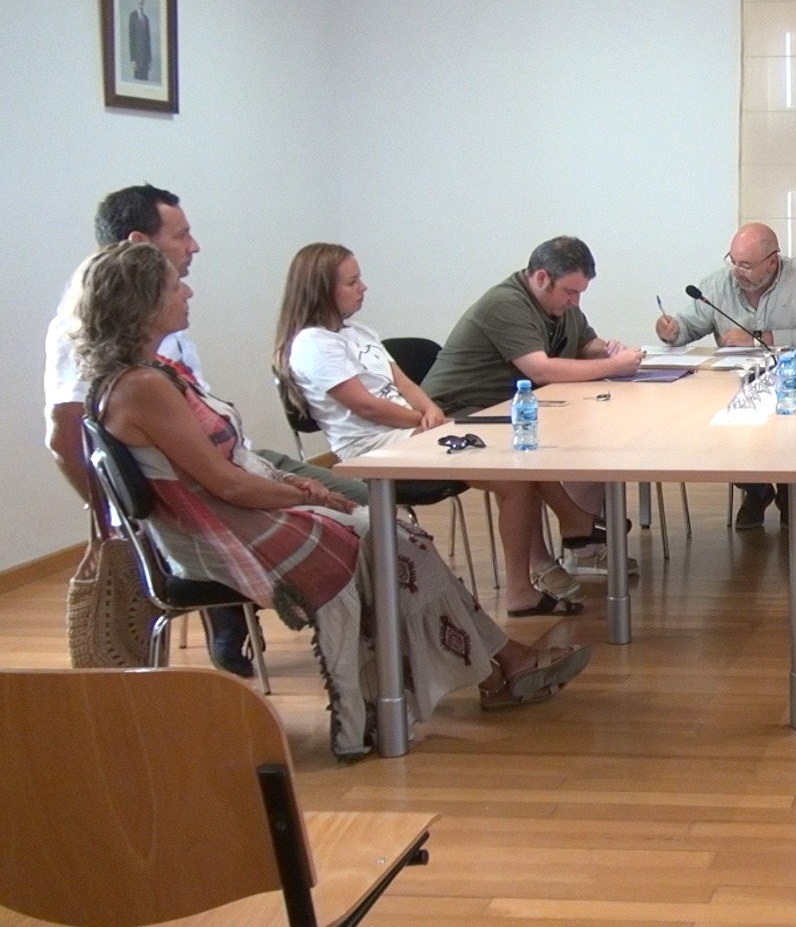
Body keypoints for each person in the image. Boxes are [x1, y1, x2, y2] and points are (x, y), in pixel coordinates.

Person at [76, 242, 591, 760]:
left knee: (398, 539)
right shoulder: (143, 387)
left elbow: (231, 470)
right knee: (394, 541)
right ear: (141, 304)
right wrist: (304, 491)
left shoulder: (152, 375)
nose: (187, 291)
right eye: (173, 286)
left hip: (236, 514)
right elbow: (227, 485)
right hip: (224, 534)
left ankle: (496, 667)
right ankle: (486, 670)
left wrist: (300, 487)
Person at [44, 185, 356, 677]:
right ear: (140, 241)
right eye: (182, 235)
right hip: (206, 488)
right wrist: (125, 520)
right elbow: (66, 438)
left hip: (235, 461)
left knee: (363, 502)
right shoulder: (97, 337)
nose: (195, 246)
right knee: (364, 522)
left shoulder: (164, 315)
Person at [273, 243, 592, 617]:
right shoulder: (312, 344)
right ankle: (547, 557)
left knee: (517, 458)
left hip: (411, 430)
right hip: (374, 446)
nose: (363, 287)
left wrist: (429, 409)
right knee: (514, 472)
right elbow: (364, 406)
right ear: (321, 289)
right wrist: (422, 421)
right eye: (352, 281)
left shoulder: (358, 332)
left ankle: (559, 541)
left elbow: (405, 384)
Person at [424, 236, 643, 595]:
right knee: (522, 459)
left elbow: (583, 343)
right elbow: (539, 369)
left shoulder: (561, 305)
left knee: (591, 432)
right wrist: (613, 367)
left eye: (580, 293)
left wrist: (607, 349)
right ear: (542, 278)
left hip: (512, 409)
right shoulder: (505, 304)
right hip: (458, 415)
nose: (575, 301)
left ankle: (580, 539)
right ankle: (546, 557)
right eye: (570, 292)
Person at [655, 222, 796, 530]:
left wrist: (758, 337)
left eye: (746, 265)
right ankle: (757, 489)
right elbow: (688, 325)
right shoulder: (717, 284)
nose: (737, 271)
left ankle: (790, 491)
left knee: (793, 424)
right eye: (733, 261)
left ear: (772, 262)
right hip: (732, 384)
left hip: (790, 382)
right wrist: (671, 331)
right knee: (707, 422)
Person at [128, 0, 152, 82]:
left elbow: (148, 41)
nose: (140, 1)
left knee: (145, 81)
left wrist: (150, 60)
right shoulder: (132, 16)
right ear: (136, 0)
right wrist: (133, 59)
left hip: (145, 59)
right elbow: (131, 38)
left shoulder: (146, 18)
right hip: (137, 59)